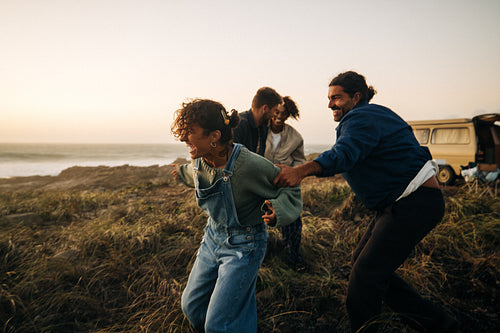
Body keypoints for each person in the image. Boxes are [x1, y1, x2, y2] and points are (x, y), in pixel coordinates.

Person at [273, 71, 459, 332]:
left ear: (356, 97)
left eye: (336, 98)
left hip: (413, 204)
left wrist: (301, 171)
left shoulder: (362, 117)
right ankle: (442, 326)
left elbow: (344, 154)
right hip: (401, 204)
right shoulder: (372, 115)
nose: (330, 105)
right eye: (328, 98)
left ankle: (368, 328)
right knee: (367, 267)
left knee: (365, 274)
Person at [171, 99, 302, 333]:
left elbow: (289, 186)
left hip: (245, 247)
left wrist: (278, 209)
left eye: (190, 132)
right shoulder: (199, 162)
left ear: (214, 136)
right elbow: (192, 173)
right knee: (191, 307)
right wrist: (179, 173)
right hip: (212, 238)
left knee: (218, 324)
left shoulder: (249, 165)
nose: (183, 138)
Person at [264, 96, 307, 272]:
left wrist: (290, 174)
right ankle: (260, 255)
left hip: (284, 184)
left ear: (289, 115)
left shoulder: (295, 137)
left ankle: (293, 257)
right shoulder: (259, 130)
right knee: (256, 218)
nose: (280, 116)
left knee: (293, 220)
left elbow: (300, 161)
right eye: (277, 112)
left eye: (284, 113)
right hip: (260, 181)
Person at [233, 87, 283, 156]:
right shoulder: (239, 125)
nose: (275, 115)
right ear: (265, 108)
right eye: (275, 111)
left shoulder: (263, 127)